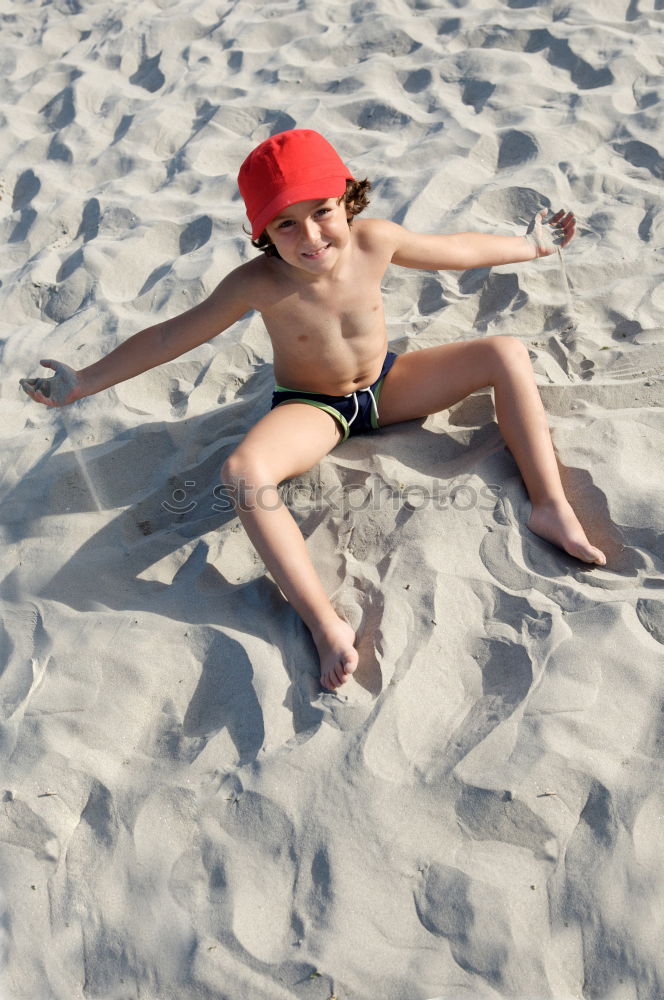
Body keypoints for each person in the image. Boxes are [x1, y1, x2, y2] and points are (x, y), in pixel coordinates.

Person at [21, 128, 606, 691]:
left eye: (322, 211)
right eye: (286, 225)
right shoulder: (256, 284)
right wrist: (85, 383)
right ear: (262, 234)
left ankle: (549, 507)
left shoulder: (375, 240)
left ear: (347, 200)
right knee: (243, 474)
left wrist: (530, 246)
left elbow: (455, 251)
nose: (311, 237)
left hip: (388, 384)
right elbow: (171, 336)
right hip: (315, 408)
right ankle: (325, 623)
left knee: (504, 352)